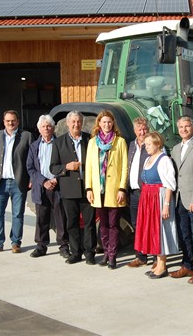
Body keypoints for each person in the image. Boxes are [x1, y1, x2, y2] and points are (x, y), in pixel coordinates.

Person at [0, 110, 33, 253]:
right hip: (0, 182)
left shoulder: (27, 136)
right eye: (8, 121)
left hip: (19, 182)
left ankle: (16, 243)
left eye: (13, 120)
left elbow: (32, 160)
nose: (11, 123)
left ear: (18, 121)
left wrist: (31, 178)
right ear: (4, 122)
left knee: (17, 214)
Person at [50, 111, 96, 265]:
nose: (76, 124)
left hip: (87, 189)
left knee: (89, 223)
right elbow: (53, 167)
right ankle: (76, 252)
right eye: (73, 122)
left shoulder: (89, 140)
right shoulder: (59, 143)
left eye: (79, 122)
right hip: (69, 189)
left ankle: (90, 253)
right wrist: (66, 167)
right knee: (72, 223)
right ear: (68, 123)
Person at [85, 110, 128, 269]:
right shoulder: (92, 143)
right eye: (104, 122)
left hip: (114, 190)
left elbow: (124, 167)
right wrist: (89, 188)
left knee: (113, 224)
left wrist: (122, 188)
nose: (107, 125)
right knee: (103, 225)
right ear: (99, 124)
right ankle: (105, 252)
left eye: (109, 122)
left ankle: (112, 256)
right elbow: (89, 167)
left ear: (113, 123)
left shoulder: (120, 142)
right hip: (98, 190)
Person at [134, 132, 178, 279]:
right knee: (152, 231)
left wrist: (166, 205)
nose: (146, 147)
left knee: (161, 230)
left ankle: (162, 265)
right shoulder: (148, 160)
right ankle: (157, 263)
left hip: (158, 198)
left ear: (158, 144)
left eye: (149, 144)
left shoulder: (164, 160)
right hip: (147, 199)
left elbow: (169, 185)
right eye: (145, 144)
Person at [169, 115, 193, 284]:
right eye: (181, 127)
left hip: (192, 200)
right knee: (184, 235)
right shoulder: (175, 149)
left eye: (187, 126)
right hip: (179, 198)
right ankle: (187, 264)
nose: (184, 129)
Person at [26, 115, 69, 258]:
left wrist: (56, 178)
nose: (46, 128)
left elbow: (64, 164)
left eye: (49, 125)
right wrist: (43, 181)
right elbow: (30, 168)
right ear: (39, 129)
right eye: (43, 126)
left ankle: (63, 246)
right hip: (41, 186)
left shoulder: (60, 144)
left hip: (57, 186)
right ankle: (41, 246)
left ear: (53, 127)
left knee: (60, 218)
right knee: (41, 218)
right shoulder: (34, 146)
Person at [126, 117, 151, 268]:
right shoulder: (131, 146)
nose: (142, 132)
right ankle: (140, 256)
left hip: (147, 192)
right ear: (134, 131)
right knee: (136, 225)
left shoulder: (153, 145)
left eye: (144, 129)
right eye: (139, 130)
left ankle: (155, 257)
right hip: (133, 193)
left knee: (150, 225)